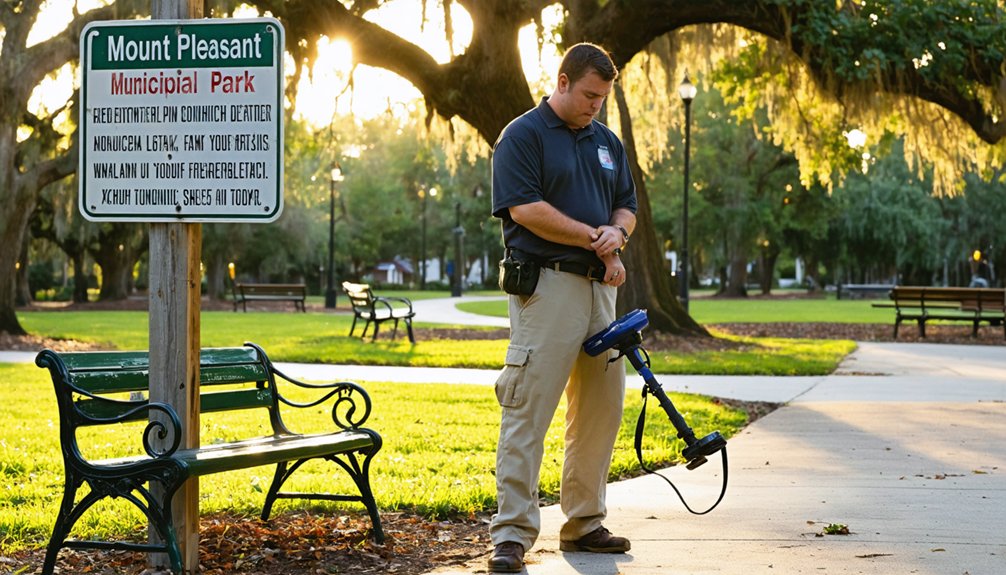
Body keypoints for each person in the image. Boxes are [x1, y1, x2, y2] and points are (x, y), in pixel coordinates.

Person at [488, 42, 637, 572]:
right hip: (546, 289)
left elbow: (627, 205)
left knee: (600, 411)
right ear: (563, 80)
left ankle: (585, 523)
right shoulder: (523, 135)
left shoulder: (606, 141)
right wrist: (592, 238)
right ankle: (511, 533)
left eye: (603, 98)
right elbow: (524, 209)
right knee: (527, 408)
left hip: (601, 291)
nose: (596, 105)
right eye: (590, 95)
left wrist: (615, 235)